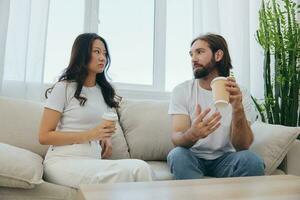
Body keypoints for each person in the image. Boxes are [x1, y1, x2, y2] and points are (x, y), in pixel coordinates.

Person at [39, 33, 153, 188]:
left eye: (105, 54)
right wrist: (91, 135)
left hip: (92, 161)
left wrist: (106, 138)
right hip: (63, 161)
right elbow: (44, 136)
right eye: (97, 52)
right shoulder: (64, 88)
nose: (102, 58)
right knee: (134, 171)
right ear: (82, 54)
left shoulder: (103, 91)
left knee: (142, 168)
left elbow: (101, 126)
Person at [167, 33, 264, 179]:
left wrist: (237, 108)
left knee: (252, 161)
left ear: (218, 55)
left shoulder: (240, 92)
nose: (193, 59)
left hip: (226, 159)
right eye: (191, 54)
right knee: (177, 155)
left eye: (199, 52)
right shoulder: (182, 90)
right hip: (193, 157)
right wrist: (192, 134)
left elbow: (243, 146)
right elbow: (176, 138)